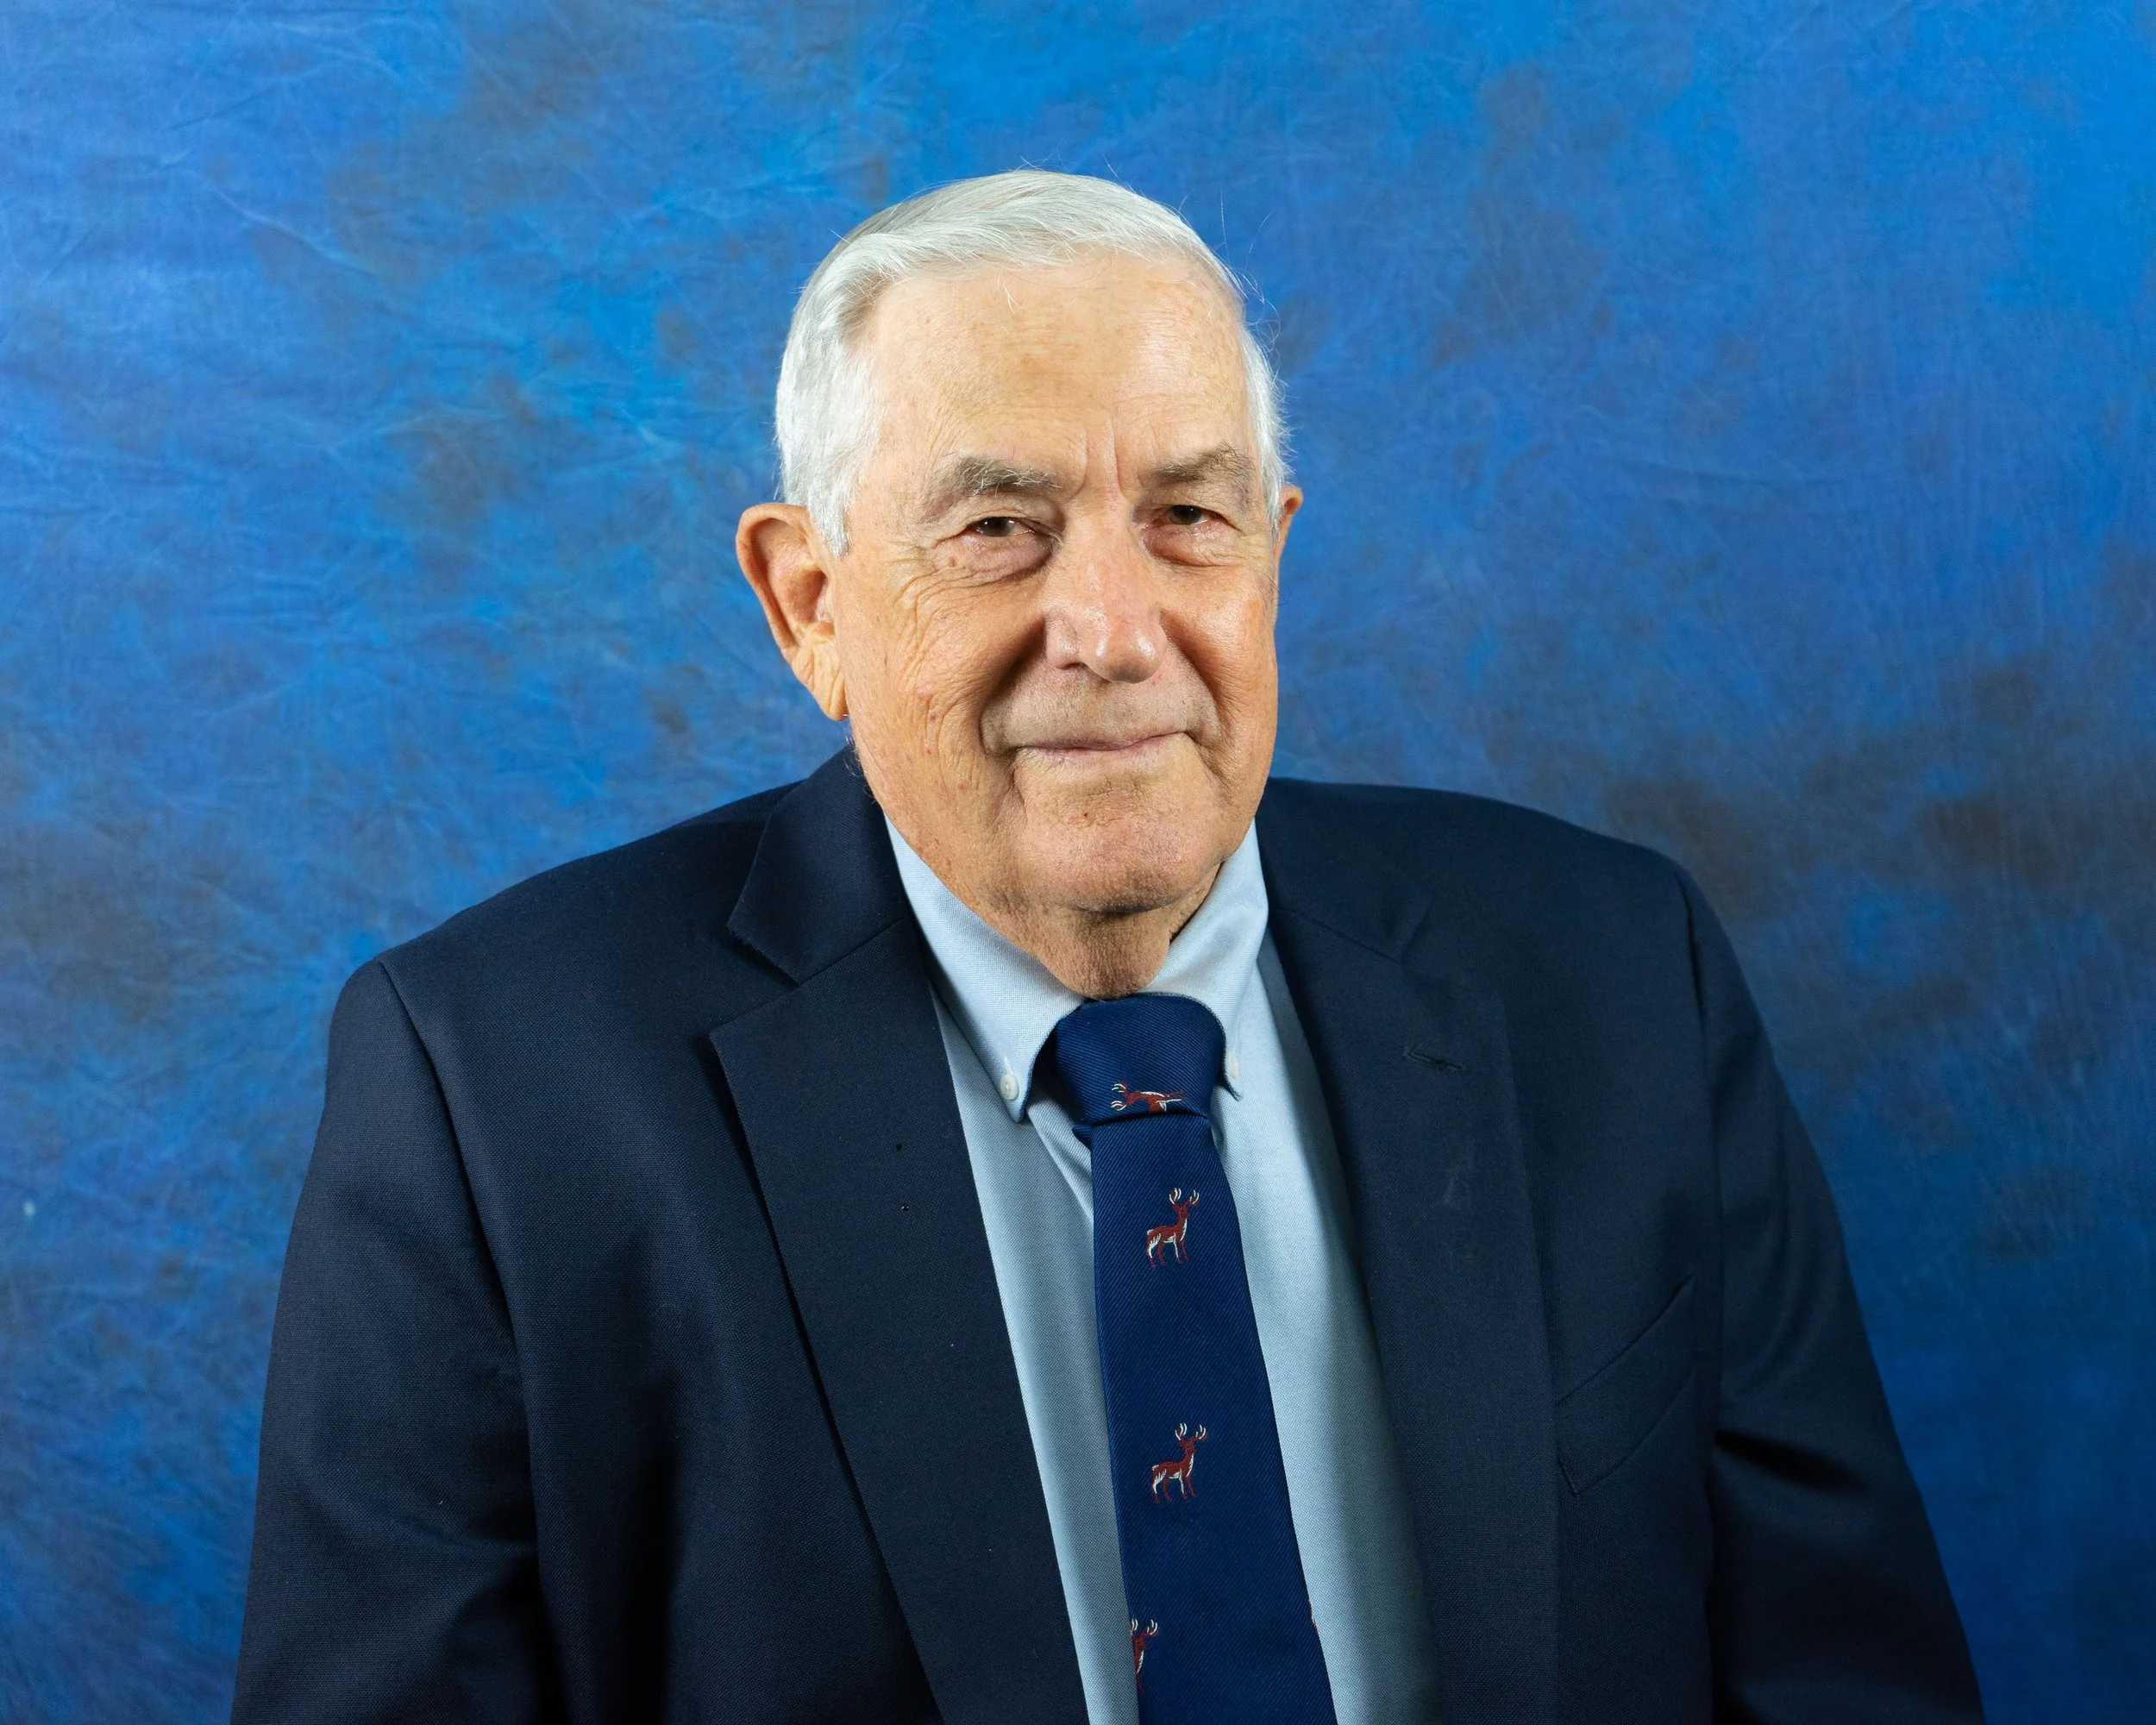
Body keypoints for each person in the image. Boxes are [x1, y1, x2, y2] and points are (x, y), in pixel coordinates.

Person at [234, 171, 1982, 1724]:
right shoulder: (493, 1090)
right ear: (809, 603)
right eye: (997, 527)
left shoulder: (1611, 977)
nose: (1111, 630)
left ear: (1268, 556)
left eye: (1186, 516)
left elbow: (1842, 1676)